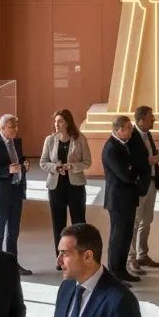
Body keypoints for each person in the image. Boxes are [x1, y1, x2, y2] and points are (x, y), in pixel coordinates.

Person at [40, 108, 91, 270]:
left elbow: (87, 162)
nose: (57, 124)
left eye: (60, 121)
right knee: (58, 224)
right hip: (56, 187)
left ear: (68, 123)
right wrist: (56, 167)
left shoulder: (79, 138)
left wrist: (72, 166)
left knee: (79, 223)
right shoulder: (50, 140)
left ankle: (80, 257)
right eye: (55, 121)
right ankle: (61, 258)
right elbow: (43, 162)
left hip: (75, 186)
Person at [0, 113, 31, 275]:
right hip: (0, 195)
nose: (15, 130)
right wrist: (7, 170)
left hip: (16, 192)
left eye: (16, 126)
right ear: (2, 128)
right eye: (12, 127)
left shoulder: (17, 141)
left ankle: (12, 264)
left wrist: (25, 163)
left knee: (13, 232)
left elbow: (20, 159)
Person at [101, 115, 140, 283]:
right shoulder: (111, 148)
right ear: (119, 130)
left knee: (126, 235)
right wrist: (134, 172)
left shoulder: (123, 145)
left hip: (127, 199)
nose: (132, 130)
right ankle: (114, 273)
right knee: (118, 237)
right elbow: (126, 175)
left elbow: (132, 167)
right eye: (129, 128)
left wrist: (133, 169)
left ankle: (122, 269)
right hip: (118, 200)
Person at [127, 105, 159, 276]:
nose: (153, 120)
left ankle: (143, 254)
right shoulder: (131, 136)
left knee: (147, 220)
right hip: (139, 185)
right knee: (134, 222)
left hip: (151, 183)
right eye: (151, 118)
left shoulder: (147, 134)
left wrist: (156, 158)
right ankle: (131, 258)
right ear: (140, 120)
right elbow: (130, 163)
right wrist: (149, 161)